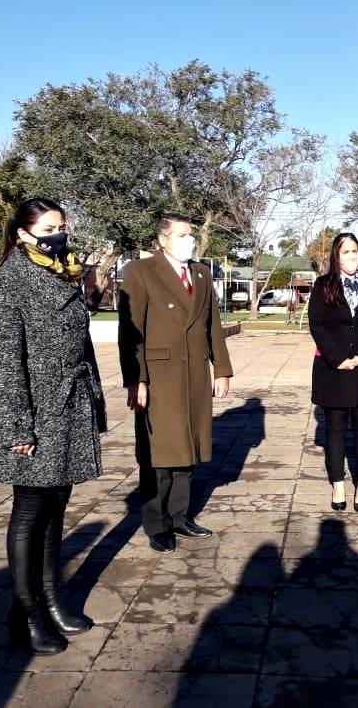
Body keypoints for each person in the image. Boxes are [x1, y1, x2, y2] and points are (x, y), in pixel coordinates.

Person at [0, 197, 106, 655]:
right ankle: (25, 611)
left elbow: (81, 346)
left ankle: (52, 599)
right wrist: (16, 427)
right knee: (31, 510)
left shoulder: (60, 272)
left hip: (68, 408)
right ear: (23, 234)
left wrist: (94, 403)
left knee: (56, 507)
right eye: (49, 229)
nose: (58, 235)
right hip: (35, 412)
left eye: (61, 227)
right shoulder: (8, 283)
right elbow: (1, 362)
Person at [118, 214, 233, 553]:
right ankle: (157, 523)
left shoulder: (201, 273)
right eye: (182, 235)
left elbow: (213, 325)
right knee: (159, 453)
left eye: (191, 235)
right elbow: (130, 331)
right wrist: (136, 379)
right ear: (163, 240)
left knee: (187, 449)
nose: (190, 240)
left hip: (194, 373)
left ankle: (180, 516)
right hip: (159, 376)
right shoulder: (141, 271)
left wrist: (222, 369)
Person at [308, 232, 358, 512]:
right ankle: (338, 484)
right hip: (333, 370)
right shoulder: (323, 286)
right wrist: (338, 358)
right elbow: (318, 325)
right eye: (345, 252)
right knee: (335, 430)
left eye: (355, 251)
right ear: (336, 256)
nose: (352, 256)